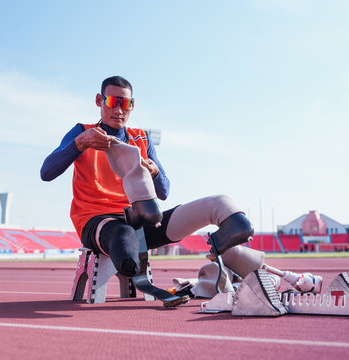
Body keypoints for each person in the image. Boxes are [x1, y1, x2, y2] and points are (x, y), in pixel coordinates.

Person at [40, 76, 255, 283]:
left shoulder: (142, 138)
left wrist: (154, 173)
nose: (119, 109)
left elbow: (164, 192)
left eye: (125, 103)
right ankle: (129, 262)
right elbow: (46, 173)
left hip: (140, 220)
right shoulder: (83, 132)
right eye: (113, 101)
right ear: (99, 100)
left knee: (221, 203)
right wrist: (80, 143)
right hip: (97, 222)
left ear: (132, 105)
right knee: (124, 239)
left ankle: (223, 247)